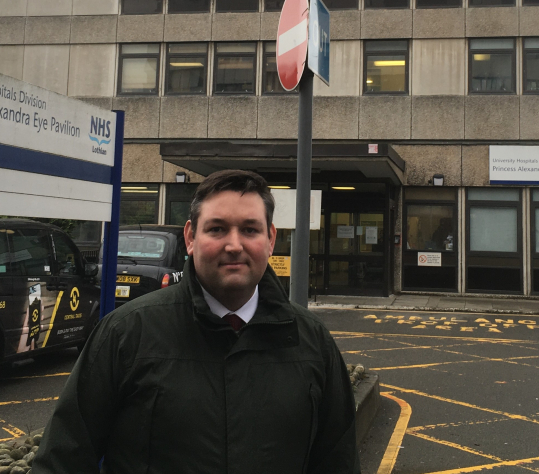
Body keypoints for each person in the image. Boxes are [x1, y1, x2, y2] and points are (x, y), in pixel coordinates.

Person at [33, 169, 360, 474]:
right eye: (217, 229)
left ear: (271, 239)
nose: (234, 245)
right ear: (190, 237)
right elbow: (63, 460)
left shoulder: (313, 341)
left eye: (250, 229)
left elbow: (338, 462)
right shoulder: (125, 333)